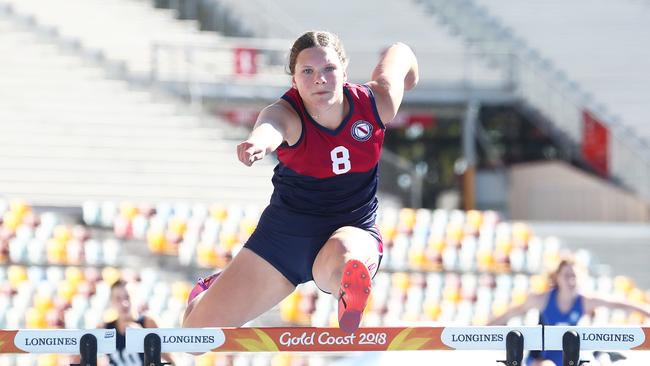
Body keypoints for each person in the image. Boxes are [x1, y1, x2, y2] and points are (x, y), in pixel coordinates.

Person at [183, 30, 418, 333]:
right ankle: (210, 288)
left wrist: (409, 77)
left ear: (344, 72)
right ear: (293, 79)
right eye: (307, 71)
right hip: (283, 241)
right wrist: (258, 143)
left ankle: (348, 289)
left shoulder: (377, 102)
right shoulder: (286, 113)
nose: (319, 79)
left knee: (346, 256)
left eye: (328, 69)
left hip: (352, 227)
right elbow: (271, 127)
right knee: (194, 338)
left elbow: (400, 52)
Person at [488, 258, 650, 366]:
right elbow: (510, 314)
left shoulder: (585, 301)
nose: (571, 280)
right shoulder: (542, 299)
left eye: (574, 275)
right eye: (566, 275)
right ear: (557, 277)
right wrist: (480, 332)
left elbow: (620, 305)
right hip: (543, 359)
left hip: (571, 358)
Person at [102, 280, 175, 366]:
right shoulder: (105, 329)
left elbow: (173, 361)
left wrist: (146, 339)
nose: (124, 303)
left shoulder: (148, 323)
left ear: (136, 298)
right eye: (118, 298)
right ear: (111, 302)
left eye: (127, 297)